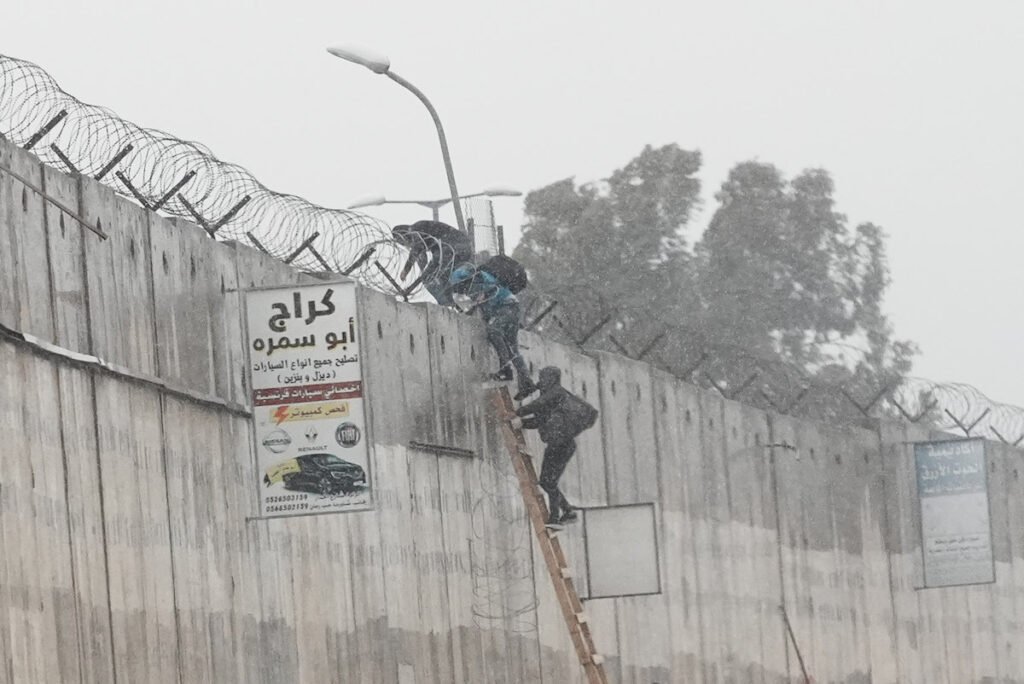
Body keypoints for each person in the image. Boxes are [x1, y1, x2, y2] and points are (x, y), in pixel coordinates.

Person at [512, 367, 599, 527]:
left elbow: (538, 405)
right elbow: (540, 420)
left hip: (562, 444)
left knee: (548, 482)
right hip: (560, 444)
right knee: (547, 482)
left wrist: (518, 412)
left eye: (543, 377)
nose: (540, 381)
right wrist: (523, 422)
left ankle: (556, 518)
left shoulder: (556, 393)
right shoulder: (555, 400)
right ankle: (567, 512)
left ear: (551, 378)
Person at [449, 264, 537, 401]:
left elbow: (481, 302)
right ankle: (526, 383)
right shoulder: (481, 279)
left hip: (507, 308)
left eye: (462, 286)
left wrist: (469, 309)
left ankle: (505, 369)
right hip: (512, 307)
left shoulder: (480, 281)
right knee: (513, 348)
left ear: (467, 280)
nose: (463, 290)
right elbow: (483, 305)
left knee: (493, 331)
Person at [392, 220, 474, 306]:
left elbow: (417, 249)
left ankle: (446, 304)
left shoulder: (414, 229)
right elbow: (422, 258)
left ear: (404, 235)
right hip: (464, 249)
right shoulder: (421, 233)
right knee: (443, 277)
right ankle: (453, 304)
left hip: (451, 247)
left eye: (403, 242)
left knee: (429, 277)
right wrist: (422, 272)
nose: (406, 245)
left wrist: (406, 270)